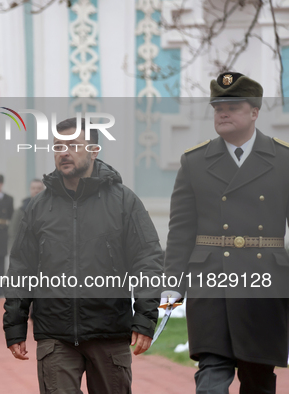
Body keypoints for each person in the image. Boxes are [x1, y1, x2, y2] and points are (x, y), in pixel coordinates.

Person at [3, 117, 163, 393]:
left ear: (93, 150)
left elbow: (147, 259)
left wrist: (145, 317)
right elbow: (21, 267)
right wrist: (15, 325)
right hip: (55, 334)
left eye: (73, 145)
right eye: (57, 146)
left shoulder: (124, 201)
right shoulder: (38, 208)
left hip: (110, 332)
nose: (63, 152)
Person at [162, 72, 289, 393]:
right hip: (211, 281)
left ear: (255, 112)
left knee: (258, 378)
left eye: (232, 106)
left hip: (264, 284)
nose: (223, 113)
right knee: (211, 375)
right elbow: (180, 230)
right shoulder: (194, 162)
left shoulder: (284, 160)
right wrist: (172, 284)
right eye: (218, 107)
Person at [7, 178, 44, 250]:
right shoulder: (20, 211)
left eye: (39, 188)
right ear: (30, 189)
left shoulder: (50, 209)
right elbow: (13, 232)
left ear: (43, 189)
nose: (36, 190)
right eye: (33, 188)